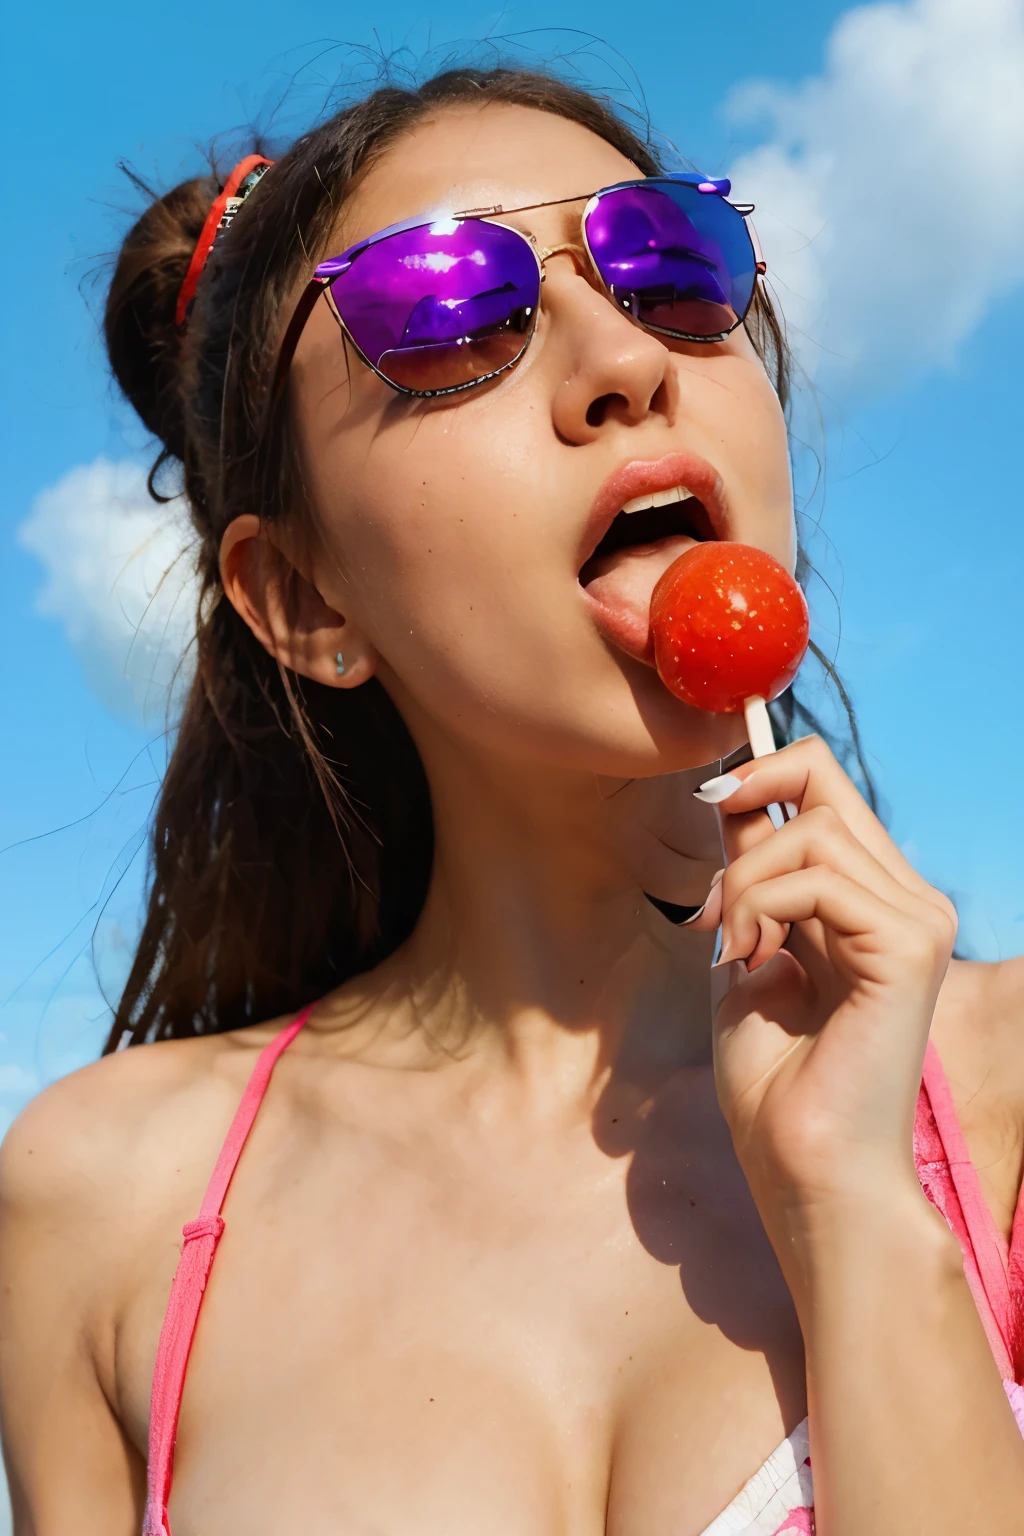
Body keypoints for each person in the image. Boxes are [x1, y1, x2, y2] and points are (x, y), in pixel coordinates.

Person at [1, 65, 1022, 1536]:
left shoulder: (998, 1098)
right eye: (443, 315)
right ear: (303, 598)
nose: (623, 355)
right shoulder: (99, 1206)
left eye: (673, 264)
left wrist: (858, 1212)